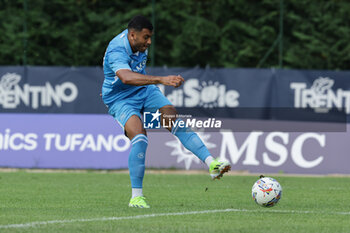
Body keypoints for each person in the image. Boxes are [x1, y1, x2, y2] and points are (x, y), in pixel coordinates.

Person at [101, 15, 231, 208]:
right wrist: (161, 80)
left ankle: (211, 163)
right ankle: (136, 197)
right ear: (132, 35)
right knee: (139, 136)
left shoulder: (139, 43)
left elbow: (137, 77)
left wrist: (155, 83)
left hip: (144, 91)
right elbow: (126, 77)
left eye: (150, 37)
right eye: (146, 37)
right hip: (120, 99)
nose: (149, 42)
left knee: (171, 117)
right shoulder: (116, 49)